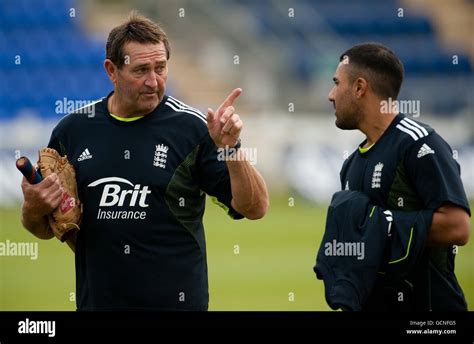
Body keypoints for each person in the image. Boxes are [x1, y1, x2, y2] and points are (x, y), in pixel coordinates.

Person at [20, 12, 269, 311]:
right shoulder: (73, 131)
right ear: (112, 70)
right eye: (140, 70)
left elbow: (255, 208)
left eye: (160, 68)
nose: (153, 81)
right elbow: (47, 228)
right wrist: (33, 207)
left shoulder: (193, 129)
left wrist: (232, 148)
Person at [327, 42, 470, 311]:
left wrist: (384, 225)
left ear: (359, 87)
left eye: (336, 83)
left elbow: (458, 227)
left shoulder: (420, 144)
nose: (330, 95)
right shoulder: (351, 164)